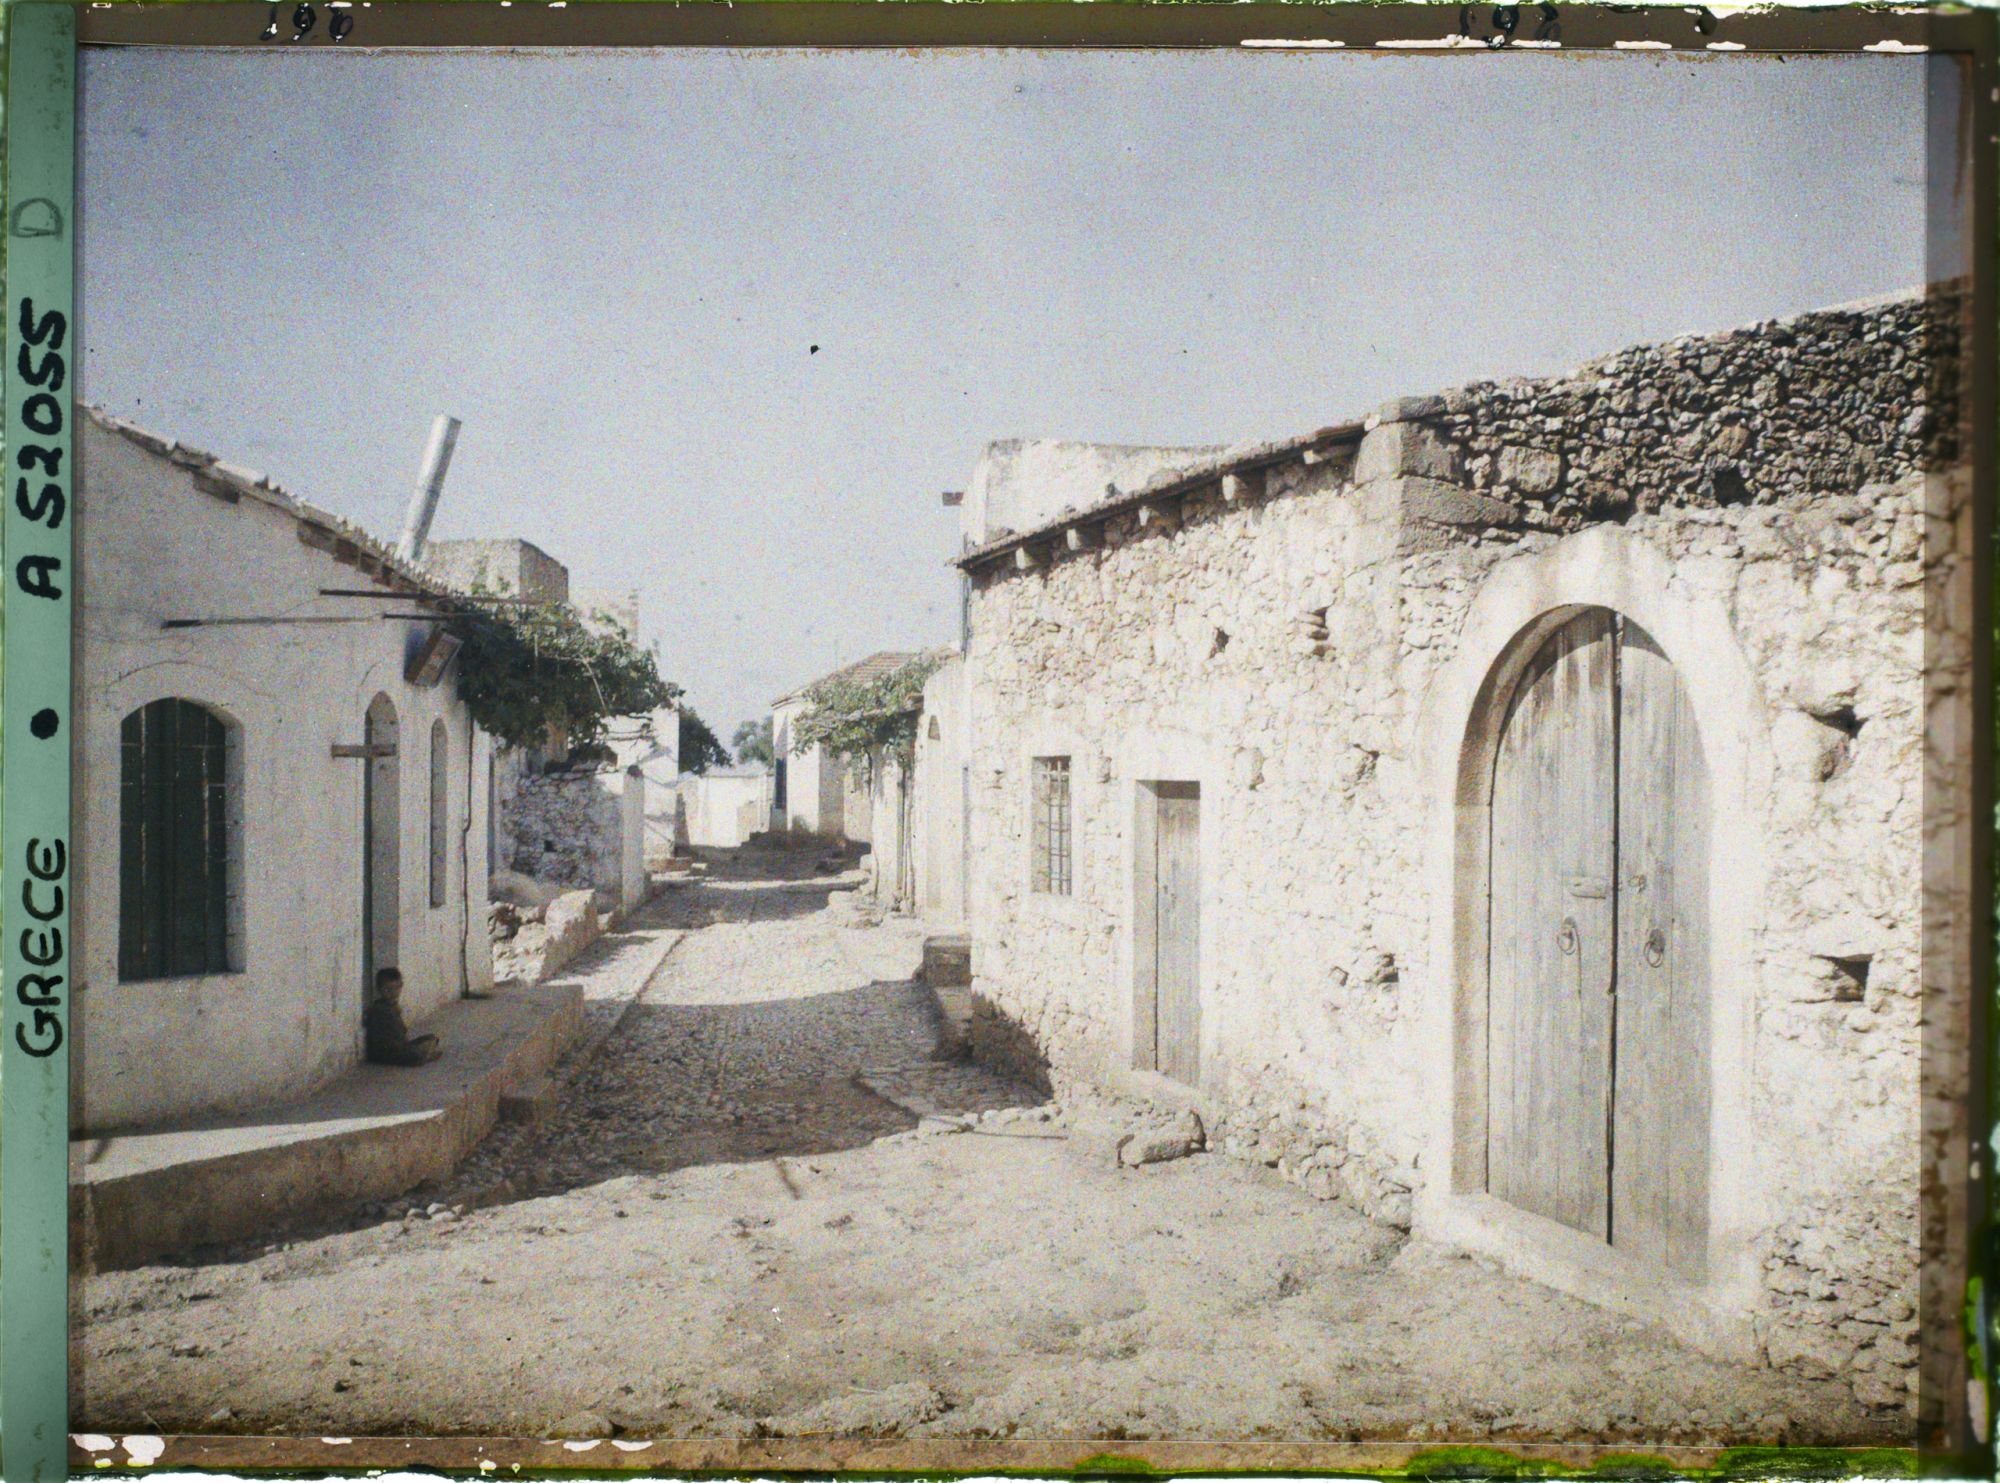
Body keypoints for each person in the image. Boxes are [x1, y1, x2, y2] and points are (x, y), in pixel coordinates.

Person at [364, 967, 442, 1066]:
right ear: (379, 990)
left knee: (431, 1038)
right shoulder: (379, 1009)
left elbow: (402, 1033)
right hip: (386, 1053)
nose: (393, 993)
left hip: (401, 1047)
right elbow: (387, 1041)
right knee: (415, 1054)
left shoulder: (393, 1007)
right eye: (388, 990)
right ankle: (424, 1056)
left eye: (396, 988)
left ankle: (424, 1054)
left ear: (401, 986)